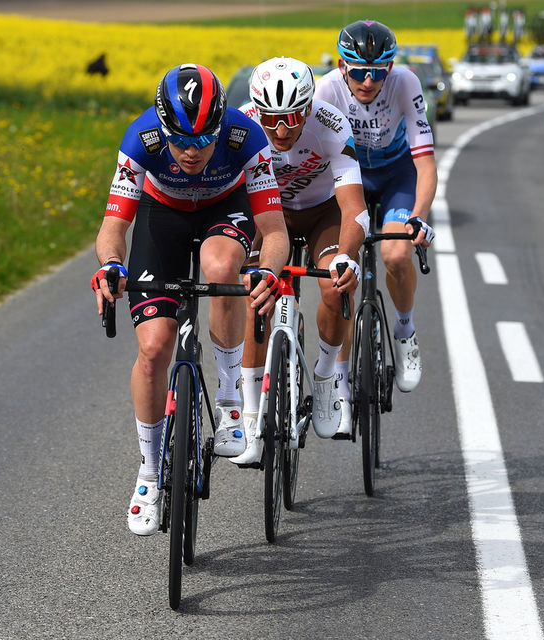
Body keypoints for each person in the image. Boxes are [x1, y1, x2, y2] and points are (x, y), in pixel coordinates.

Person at [92, 63, 290, 536]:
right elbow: (113, 229)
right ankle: (147, 472)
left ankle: (229, 403)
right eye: (180, 140)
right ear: (162, 128)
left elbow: (276, 231)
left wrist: (268, 269)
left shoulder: (246, 138)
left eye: (203, 140)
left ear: (220, 125)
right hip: (164, 217)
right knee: (154, 349)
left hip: (226, 207)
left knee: (222, 269)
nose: (190, 151)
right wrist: (111, 267)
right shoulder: (141, 139)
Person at [232, 56, 365, 462]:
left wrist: (347, 256)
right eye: (271, 119)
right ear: (257, 110)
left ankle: (325, 377)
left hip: (321, 210)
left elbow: (355, 208)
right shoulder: (242, 127)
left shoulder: (332, 124)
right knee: (254, 295)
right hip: (267, 213)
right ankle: (251, 416)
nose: (282, 130)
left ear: (308, 107)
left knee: (333, 284)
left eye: (292, 117)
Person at [313, 20, 436, 405]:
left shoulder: (406, 83)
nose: (368, 82)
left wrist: (419, 215)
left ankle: (404, 330)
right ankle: (342, 379)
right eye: (359, 71)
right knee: (341, 276)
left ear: (390, 68)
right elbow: (315, 161)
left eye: (378, 72)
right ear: (341, 65)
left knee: (396, 254)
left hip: (395, 173)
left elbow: (426, 163)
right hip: (349, 178)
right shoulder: (326, 89)